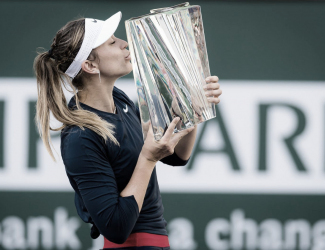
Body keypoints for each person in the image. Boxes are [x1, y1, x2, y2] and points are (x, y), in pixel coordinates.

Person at [33, 11, 221, 250]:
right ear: (90, 65)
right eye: (112, 42)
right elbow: (116, 228)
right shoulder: (80, 136)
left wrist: (189, 111)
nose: (124, 44)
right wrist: (148, 158)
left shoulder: (119, 99)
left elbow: (178, 157)